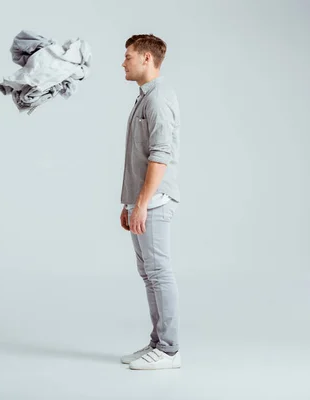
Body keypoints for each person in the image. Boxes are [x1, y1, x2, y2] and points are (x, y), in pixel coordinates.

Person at [118, 34, 182, 370]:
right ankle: (158, 343)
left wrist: (141, 203)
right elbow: (139, 157)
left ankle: (170, 351)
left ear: (146, 58)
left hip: (155, 202)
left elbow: (160, 156)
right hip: (143, 201)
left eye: (128, 56)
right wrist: (129, 202)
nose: (123, 62)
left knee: (159, 272)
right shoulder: (145, 98)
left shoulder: (157, 99)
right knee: (149, 274)